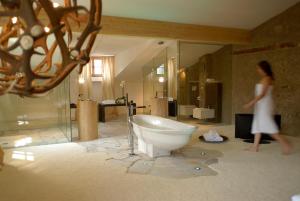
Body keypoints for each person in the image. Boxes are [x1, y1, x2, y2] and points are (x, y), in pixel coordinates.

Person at [244, 60, 292, 154]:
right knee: (257, 125)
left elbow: (262, 94)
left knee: (270, 128)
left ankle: (286, 144)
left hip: (264, 106)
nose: (257, 70)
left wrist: (251, 103)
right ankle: (255, 147)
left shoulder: (267, 78)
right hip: (260, 105)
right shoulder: (265, 78)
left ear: (263, 68)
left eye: (258, 68)